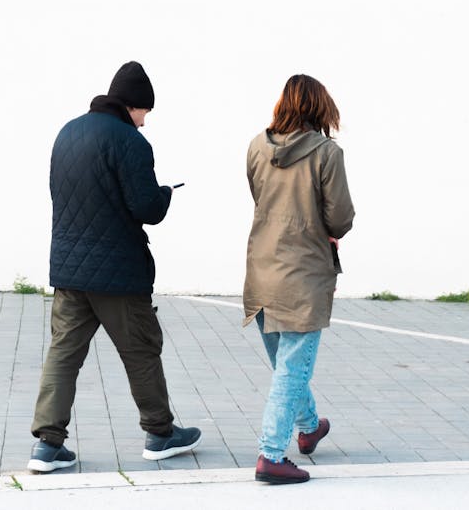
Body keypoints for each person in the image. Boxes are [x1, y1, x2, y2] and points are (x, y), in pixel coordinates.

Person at [27, 61, 201, 473]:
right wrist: (164, 196)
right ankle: (160, 433)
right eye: (145, 113)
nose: (144, 123)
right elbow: (145, 208)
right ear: (134, 106)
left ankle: (47, 445)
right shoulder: (130, 142)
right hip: (119, 274)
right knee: (141, 351)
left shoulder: (67, 133)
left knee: (63, 354)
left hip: (69, 270)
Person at [243, 74, 355, 484]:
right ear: (319, 108)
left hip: (261, 269)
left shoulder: (257, 145)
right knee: (292, 369)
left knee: (286, 365)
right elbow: (340, 218)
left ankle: (308, 429)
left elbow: (260, 198)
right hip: (304, 275)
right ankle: (271, 455)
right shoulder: (327, 153)